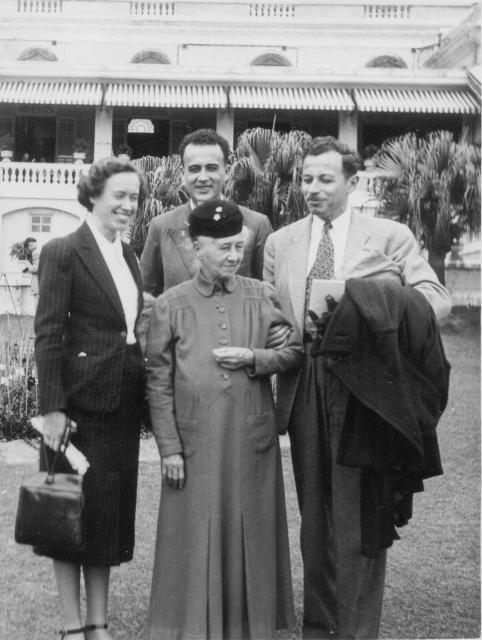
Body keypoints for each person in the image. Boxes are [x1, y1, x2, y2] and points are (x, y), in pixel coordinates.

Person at [263, 136, 452, 640]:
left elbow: (435, 301)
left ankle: (357, 630)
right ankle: (319, 628)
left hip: (365, 391)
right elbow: (274, 319)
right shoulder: (279, 243)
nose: (313, 188)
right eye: (306, 178)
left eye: (325, 179)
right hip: (305, 384)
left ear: (352, 182)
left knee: (360, 516)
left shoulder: (388, 237)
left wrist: (377, 302)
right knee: (315, 520)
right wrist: (280, 332)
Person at [144, 198, 303, 640]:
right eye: (223, 248)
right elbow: (157, 381)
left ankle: (248, 627)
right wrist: (170, 449)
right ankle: (191, 626)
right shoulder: (170, 304)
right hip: (194, 445)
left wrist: (255, 357)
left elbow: (293, 352)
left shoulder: (260, 293)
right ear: (197, 247)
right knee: (192, 534)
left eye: (239, 247)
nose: (234, 256)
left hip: (252, 441)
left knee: (250, 528)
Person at [34, 157, 148, 640]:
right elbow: (47, 334)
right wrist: (52, 409)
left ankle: (98, 623)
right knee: (65, 512)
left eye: (134, 198)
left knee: (105, 515)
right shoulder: (63, 250)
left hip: (121, 403)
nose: (128, 205)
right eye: (119, 195)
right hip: (76, 407)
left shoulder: (130, 256)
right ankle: (70, 625)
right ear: (94, 195)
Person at [140, 128, 272, 295]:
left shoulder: (256, 225)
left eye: (211, 168)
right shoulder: (161, 226)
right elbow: (146, 298)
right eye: (194, 169)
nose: (202, 178)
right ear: (183, 174)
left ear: (226, 171)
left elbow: (266, 298)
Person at [23, 236, 40, 308]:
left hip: (38, 283)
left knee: (38, 305)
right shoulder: (36, 252)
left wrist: (27, 266)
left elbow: (37, 268)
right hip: (39, 283)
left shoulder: (35, 252)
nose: (34, 246)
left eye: (34, 245)